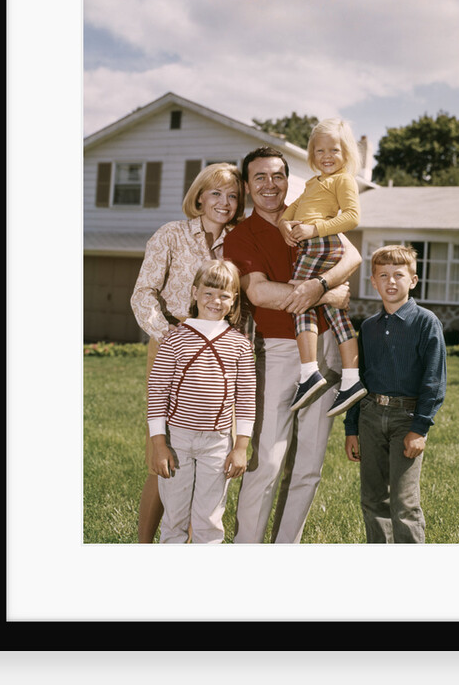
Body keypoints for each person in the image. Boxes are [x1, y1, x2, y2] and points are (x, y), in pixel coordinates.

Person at [223, 146, 362, 544]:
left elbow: (350, 255)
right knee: (266, 462)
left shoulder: (307, 217)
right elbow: (262, 293)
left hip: (328, 349)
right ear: (248, 187)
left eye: (277, 176)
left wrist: (320, 284)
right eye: (260, 178)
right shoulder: (241, 236)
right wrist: (327, 294)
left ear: (288, 180)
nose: (270, 185)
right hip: (280, 353)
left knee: (308, 466)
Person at [130, 162, 245, 543]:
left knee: (211, 456)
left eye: (232, 196)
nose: (224, 203)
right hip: (172, 345)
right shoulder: (171, 235)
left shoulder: (240, 241)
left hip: (220, 353)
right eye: (215, 193)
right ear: (198, 196)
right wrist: (169, 336)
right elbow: (143, 292)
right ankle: (148, 545)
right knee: (163, 457)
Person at [147, 259, 256, 543]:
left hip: (218, 443)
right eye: (208, 292)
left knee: (209, 520)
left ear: (233, 302)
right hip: (177, 440)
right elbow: (157, 394)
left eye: (224, 295)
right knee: (174, 520)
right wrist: (159, 444)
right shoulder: (174, 340)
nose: (215, 300)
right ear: (195, 292)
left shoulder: (240, 344)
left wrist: (241, 446)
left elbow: (246, 399)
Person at [343, 244, 446, 543]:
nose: (391, 282)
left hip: (407, 418)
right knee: (373, 499)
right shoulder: (370, 327)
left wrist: (420, 428)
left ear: (413, 280)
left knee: (404, 503)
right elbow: (360, 380)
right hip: (371, 416)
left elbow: (434, 380)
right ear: (373, 282)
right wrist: (352, 428)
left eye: (398, 275)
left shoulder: (426, 323)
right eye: (383, 275)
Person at [277, 118, 366, 417]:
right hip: (316, 244)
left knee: (300, 299)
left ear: (346, 153)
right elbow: (289, 212)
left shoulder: (344, 179)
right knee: (335, 313)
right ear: (311, 154)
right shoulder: (313, 183)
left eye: (334, 150)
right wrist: (286, 226)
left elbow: (352, 217)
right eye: (319, 151)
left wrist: (314, 230)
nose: (326, 156)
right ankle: (352, 380)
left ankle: (309, 373)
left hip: (321, 244)